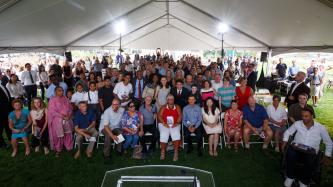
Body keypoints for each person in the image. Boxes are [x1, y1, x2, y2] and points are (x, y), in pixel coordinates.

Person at [282, 107, 332, 187]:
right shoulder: (298, 123)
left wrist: (327, 155)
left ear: (312, 116)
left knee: (309, 160)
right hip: (297, 147)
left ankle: (304, 181)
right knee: (291, 154)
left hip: (310, 150)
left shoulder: (320, 128)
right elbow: (288, 132)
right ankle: (290, 177)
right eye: (302, 116)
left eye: (306, 116)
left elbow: (329, 142)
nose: (304, 118)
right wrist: (285, 141)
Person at [48, 86, 73, 157]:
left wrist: (68, 116)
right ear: (55, 92)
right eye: (59, 91)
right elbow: (53, 111)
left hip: (67, 119)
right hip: (57, 120)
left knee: (68, 134)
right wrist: (62, 117)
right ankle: (58, 149)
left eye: (62, 90)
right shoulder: (52, 100)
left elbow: (70, 108)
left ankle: (69, 147)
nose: (61, 92)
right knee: (58, 135)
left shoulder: (65, 98)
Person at [158, 94, 182, 161]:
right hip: (164, 124)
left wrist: (177, 123)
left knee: (176, 134)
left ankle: (176, 152)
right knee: (163, 134)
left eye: (172, 99)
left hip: (175, 124)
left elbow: (180, 115)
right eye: (169, 99)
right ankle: (163, 151)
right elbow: (159, 116)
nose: (171, 100)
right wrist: (163, 123)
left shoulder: (177, 106)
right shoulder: (163, 107)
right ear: (167, 100)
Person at [0, 82, 12, 148]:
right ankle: (2, 144)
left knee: (8, 127)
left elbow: (7, 98)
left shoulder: (3, 85)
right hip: (1, 112)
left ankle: (11, 140)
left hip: (7, 111)